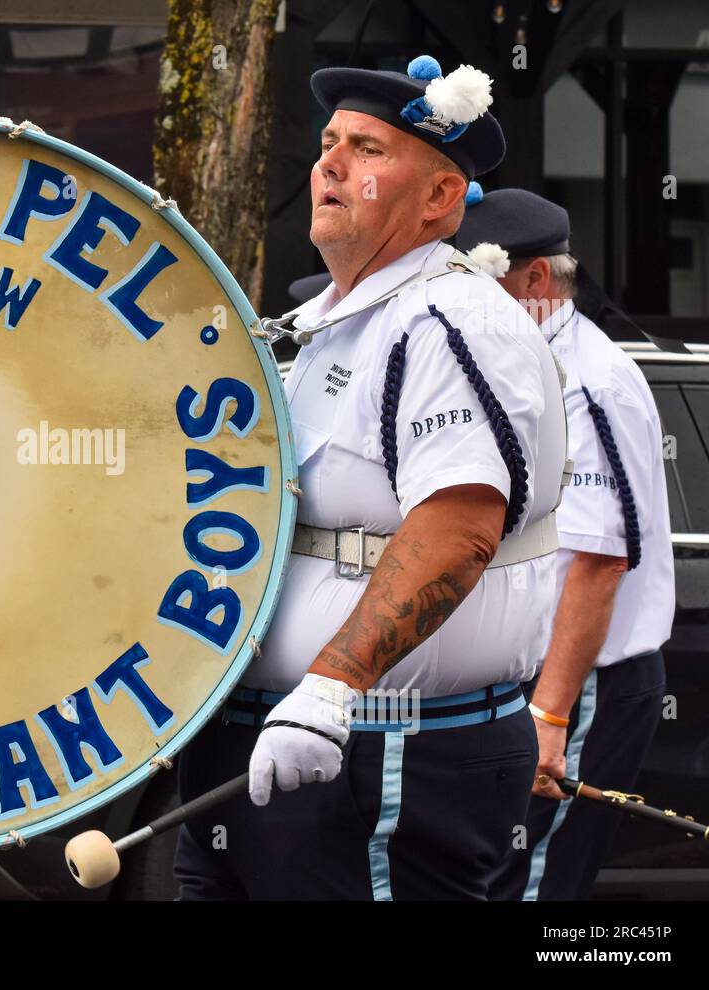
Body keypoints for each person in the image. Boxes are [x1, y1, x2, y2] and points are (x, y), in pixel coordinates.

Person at [173, 54, 568, 900]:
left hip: (380, 750)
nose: (331, 163)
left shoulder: (452, 321)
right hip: (254, 748)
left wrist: (330, 687)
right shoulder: (313, 325)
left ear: (440, 200)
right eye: (328, 143)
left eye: (368, 149)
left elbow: (459, 532)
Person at [456, 187, 674, 900]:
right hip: (535, 676)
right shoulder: (523, 364)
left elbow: (597, 560)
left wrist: (550, 716)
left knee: (532, 887)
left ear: (537, 281)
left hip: (578, 682)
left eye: (477, 281)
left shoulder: (586, 378)